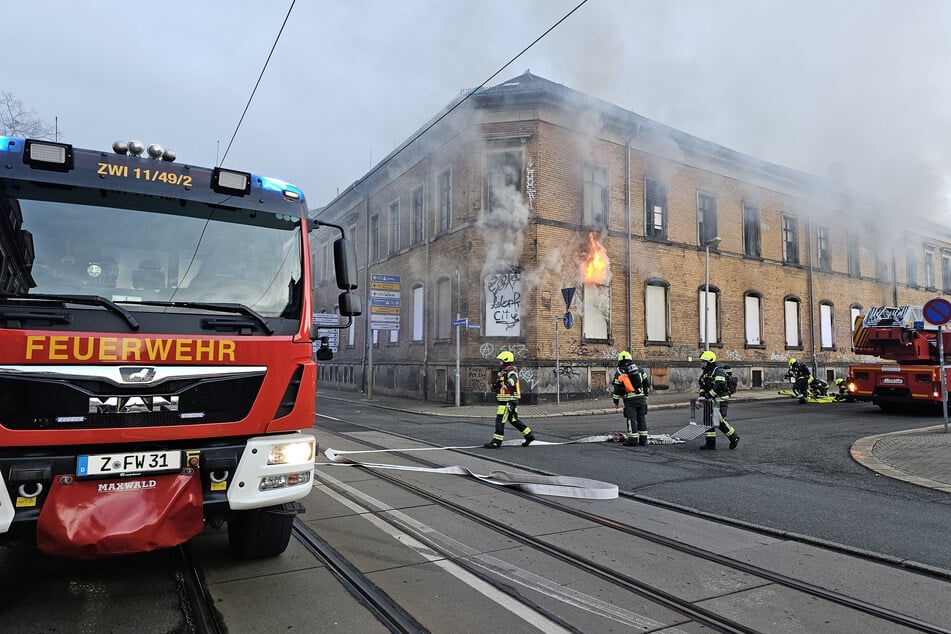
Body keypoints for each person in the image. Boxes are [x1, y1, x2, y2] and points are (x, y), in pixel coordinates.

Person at [483, 351, 535, 448]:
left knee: (500, 420)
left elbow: (513, 378)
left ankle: (496, 442)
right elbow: (501, 383)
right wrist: (496, 385)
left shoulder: (511, 369)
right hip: (508, 400)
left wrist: (507, 384)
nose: (499, 362)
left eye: (501, 360)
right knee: (513, 420)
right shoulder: (503, 371)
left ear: (506, 360)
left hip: (508, 400)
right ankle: (529, 436)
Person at [697, 350, 740, 450]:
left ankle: (734, 437)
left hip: (720, 400)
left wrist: (707, 396)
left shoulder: (718, 371)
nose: (701, 363)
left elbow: (719, 386)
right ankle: (710, 443)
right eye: (702, 361)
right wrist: (701, 397)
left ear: (709, 362)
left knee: (719, 421)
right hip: (710, 400)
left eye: (703, 361)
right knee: (707, 421)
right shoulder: (706, 373)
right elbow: (702, 386)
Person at [611, 351, 651, 446]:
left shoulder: (619, 372)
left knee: (631, 419)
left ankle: (633, 440)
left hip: (630, 400)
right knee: (641, 418)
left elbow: (616, 390)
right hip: (641, 399)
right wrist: (646, 395)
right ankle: (643, 440)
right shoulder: (640, 370)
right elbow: (646, 384)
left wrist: (615, 402)